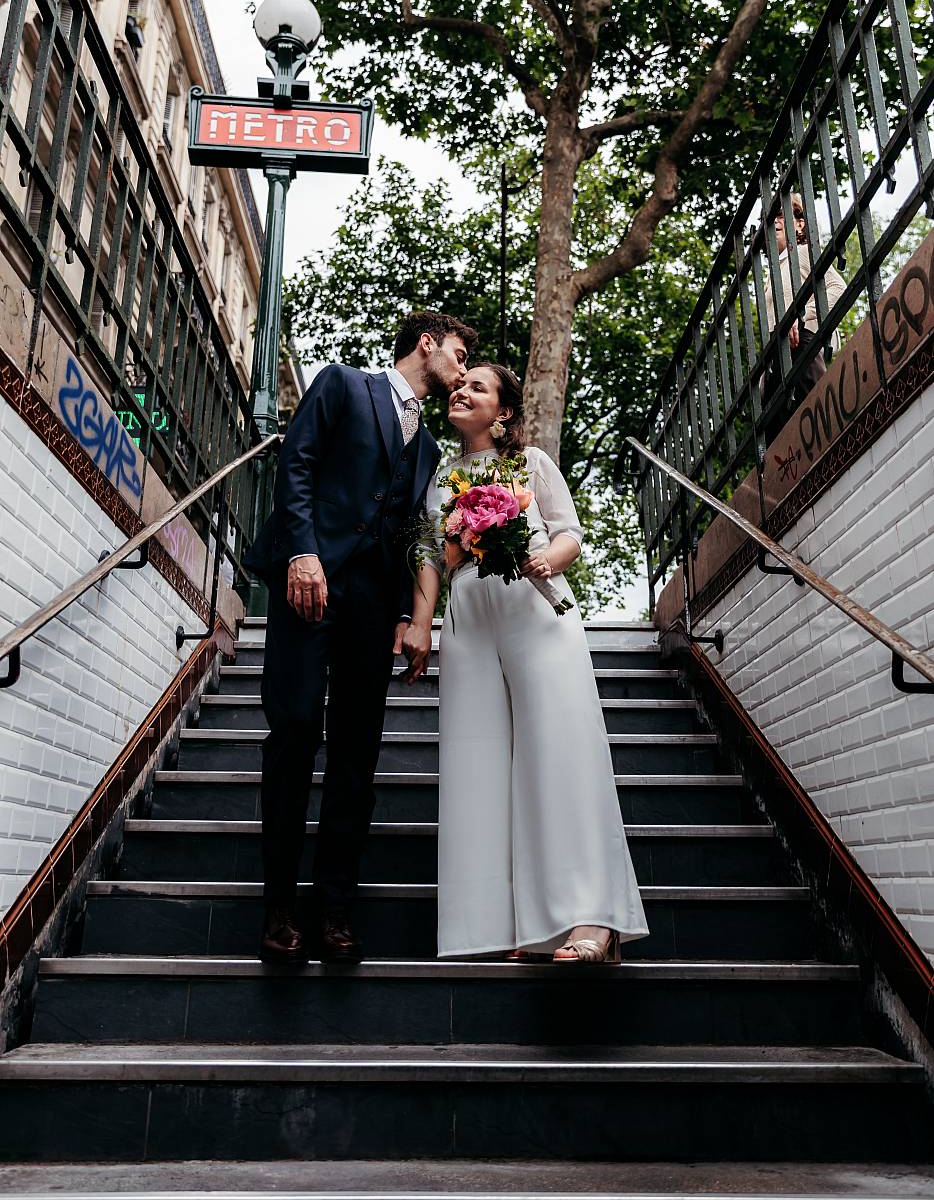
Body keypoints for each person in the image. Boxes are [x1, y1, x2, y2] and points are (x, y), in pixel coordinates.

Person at [244, 311, 476, 965]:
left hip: (373, 607)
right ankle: (280, 909)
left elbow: (412, 538)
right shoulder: (344, 385)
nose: (461, 368)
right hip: (308, 584)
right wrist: (301, 553)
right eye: (458, 353)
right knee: (293, 731)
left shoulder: (428, 449)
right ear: (425, 344)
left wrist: (408, 614)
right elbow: (297, 466)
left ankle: (335, 910)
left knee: (357, 756)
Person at [404, 364, 649, 962]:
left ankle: (593, 919)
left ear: (504, 411)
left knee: (559, 753)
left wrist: (546, 561)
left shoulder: (532, 464)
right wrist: (420, 623)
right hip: (470, 620)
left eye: (477, 388)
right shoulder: (438, 475)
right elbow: (432, 555)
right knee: (477, 760)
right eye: (460, 386)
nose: (461, 391)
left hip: (536, 608)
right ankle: (507, 927)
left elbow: (570, 533)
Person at [762, 194, 847, 444]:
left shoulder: (801, 253)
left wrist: (799, 317)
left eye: (781, 214)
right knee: (782, 442)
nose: (774, 221)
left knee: (818, 424)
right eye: (769, 217)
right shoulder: (774, 272)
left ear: (799, 224)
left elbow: (836, 287)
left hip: (803, 345)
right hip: (778, 360)